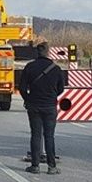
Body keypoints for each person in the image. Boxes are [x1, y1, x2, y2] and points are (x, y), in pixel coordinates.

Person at [19, 40, 66, 174]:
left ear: (37, 52)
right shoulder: (56, 69)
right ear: (48, 52)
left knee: (36, 135)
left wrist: (28, 99)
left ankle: (35, 166)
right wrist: (51, 96)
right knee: (49, 136)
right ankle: (52, 166)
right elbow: (61, 89)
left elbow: (22, 87)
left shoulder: (29, 67)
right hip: (50, 106)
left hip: (34, 106)